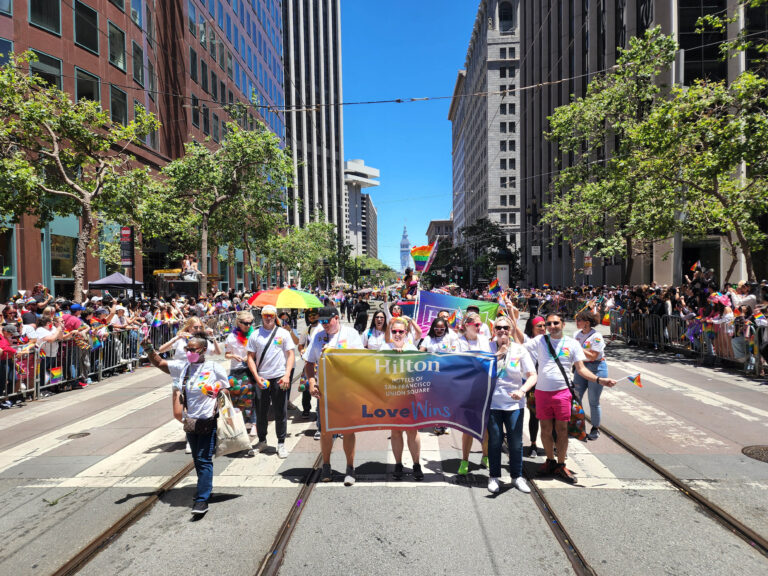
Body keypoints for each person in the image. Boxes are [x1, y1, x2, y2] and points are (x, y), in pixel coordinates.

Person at [142, 332, 229, 515]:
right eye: (187, 349)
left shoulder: (214, 367)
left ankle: (202, 499)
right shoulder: (184, 368)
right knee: (197, 458)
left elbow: (227, 391)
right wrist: (148, 347)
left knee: (204, 460)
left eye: (193, 349)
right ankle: (205, 488)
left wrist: (216, 391)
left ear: (203, 350)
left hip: (208, 420)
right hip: (190, 421)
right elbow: (159, 363)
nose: (189, 352)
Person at [525, 313, 617, 484]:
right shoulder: (539, 341)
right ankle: (550, 461)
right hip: (542, 392)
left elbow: (581, 369)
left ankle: (561, 464)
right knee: (545, 429)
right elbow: (519, 347)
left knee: (562, 430)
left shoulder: (572, 343)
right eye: (549, 323)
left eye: (555, 323)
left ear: (563, 324)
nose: (552, 326)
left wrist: (599, 379)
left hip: (562, 392)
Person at [304, 306, 363, 485]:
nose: (323, 325)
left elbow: (362, 359)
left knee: (348, 431)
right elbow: (308, 362)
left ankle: (350, 468)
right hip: (325, 392)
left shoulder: (351, 334)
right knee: (325, 431)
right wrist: (312, 382)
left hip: (346, 391)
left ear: (336, 318)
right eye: (320, 322)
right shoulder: (318, 335)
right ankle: (327, 465)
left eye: (326, 321)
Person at [487, 316, 537, 493]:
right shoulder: (487, 348)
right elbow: (479, 370)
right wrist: (499, 353)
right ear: (494, 330)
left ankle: (517, 476)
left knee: (515, 442)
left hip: (514, 404)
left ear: (511, 330)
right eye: (499, 328)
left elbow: (532, 375)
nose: (502, 331)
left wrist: (522, 390)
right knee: (495, 441)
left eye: (506, 328)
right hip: (492, 403)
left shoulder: (520, 350)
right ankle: (494, 476)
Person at [246, 305, 295, 459]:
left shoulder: (283, 333)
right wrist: (256, 376)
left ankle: (281, 443)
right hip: (262, 378)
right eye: (265, 315)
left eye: (271, 315)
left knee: (280, 411)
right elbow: (250, 357)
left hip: (279, 377)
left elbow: (291, 354)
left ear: (275, 316)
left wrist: (287, 375)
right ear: (261, 316)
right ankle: (262, 441)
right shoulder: (255, 335)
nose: (268, 317)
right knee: (261, 412)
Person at [380, 317, 423, 480]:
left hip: (409, 396)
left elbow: (420, 372)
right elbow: (377, 370)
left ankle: (416, 464)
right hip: (391, 396)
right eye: (394, 331)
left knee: (413, 431)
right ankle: (398, 464)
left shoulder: (412, 348)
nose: (397, 334)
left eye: (400, 331)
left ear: (406, 333)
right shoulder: (385, 347)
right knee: (396, 431)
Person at [456, 312, 491, 475]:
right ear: (467, 326)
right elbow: (457, 363)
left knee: (485, 428)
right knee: (467, 428)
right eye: (476, 325)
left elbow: (489, 360)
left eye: (480, 324)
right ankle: (464, 460)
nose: (479, 327)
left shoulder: (484, 340)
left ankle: (485, 456)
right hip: (466, 390)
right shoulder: (459, 342)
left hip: (483, 387)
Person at [572, 310, 608, 441]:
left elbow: (593, 355)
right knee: (576, 398)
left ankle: (595, 428)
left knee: (593, 401)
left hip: (596, 368)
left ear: (586, 323)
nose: (576, 322)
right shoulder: (576, 334)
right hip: (580, 367)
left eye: (579, 320)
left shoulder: (596, 336)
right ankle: (578, 426)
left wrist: (577, 347)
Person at [225, 311, 257, 454]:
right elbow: (226, 354)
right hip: (236, 370)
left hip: (251, 368)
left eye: (250, 323)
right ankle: (241, 424)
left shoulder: (254, 335)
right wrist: (233, 355)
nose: (248, 325)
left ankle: (254, 423)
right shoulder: (231, 337)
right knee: (237, 398)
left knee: (252, 396)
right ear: (238, 323)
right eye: (245, 323)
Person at [298, 308, 323, 423]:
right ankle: (306, 409)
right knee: (306, 387)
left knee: (321, 388)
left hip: (321, 364)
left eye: (314, 315)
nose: (312, 317)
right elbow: (301, 345)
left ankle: (319, 411)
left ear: (318, 315)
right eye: (310, 315)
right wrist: (302, 351)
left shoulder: (323, 328)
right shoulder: (306, 330)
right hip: (309, 363)